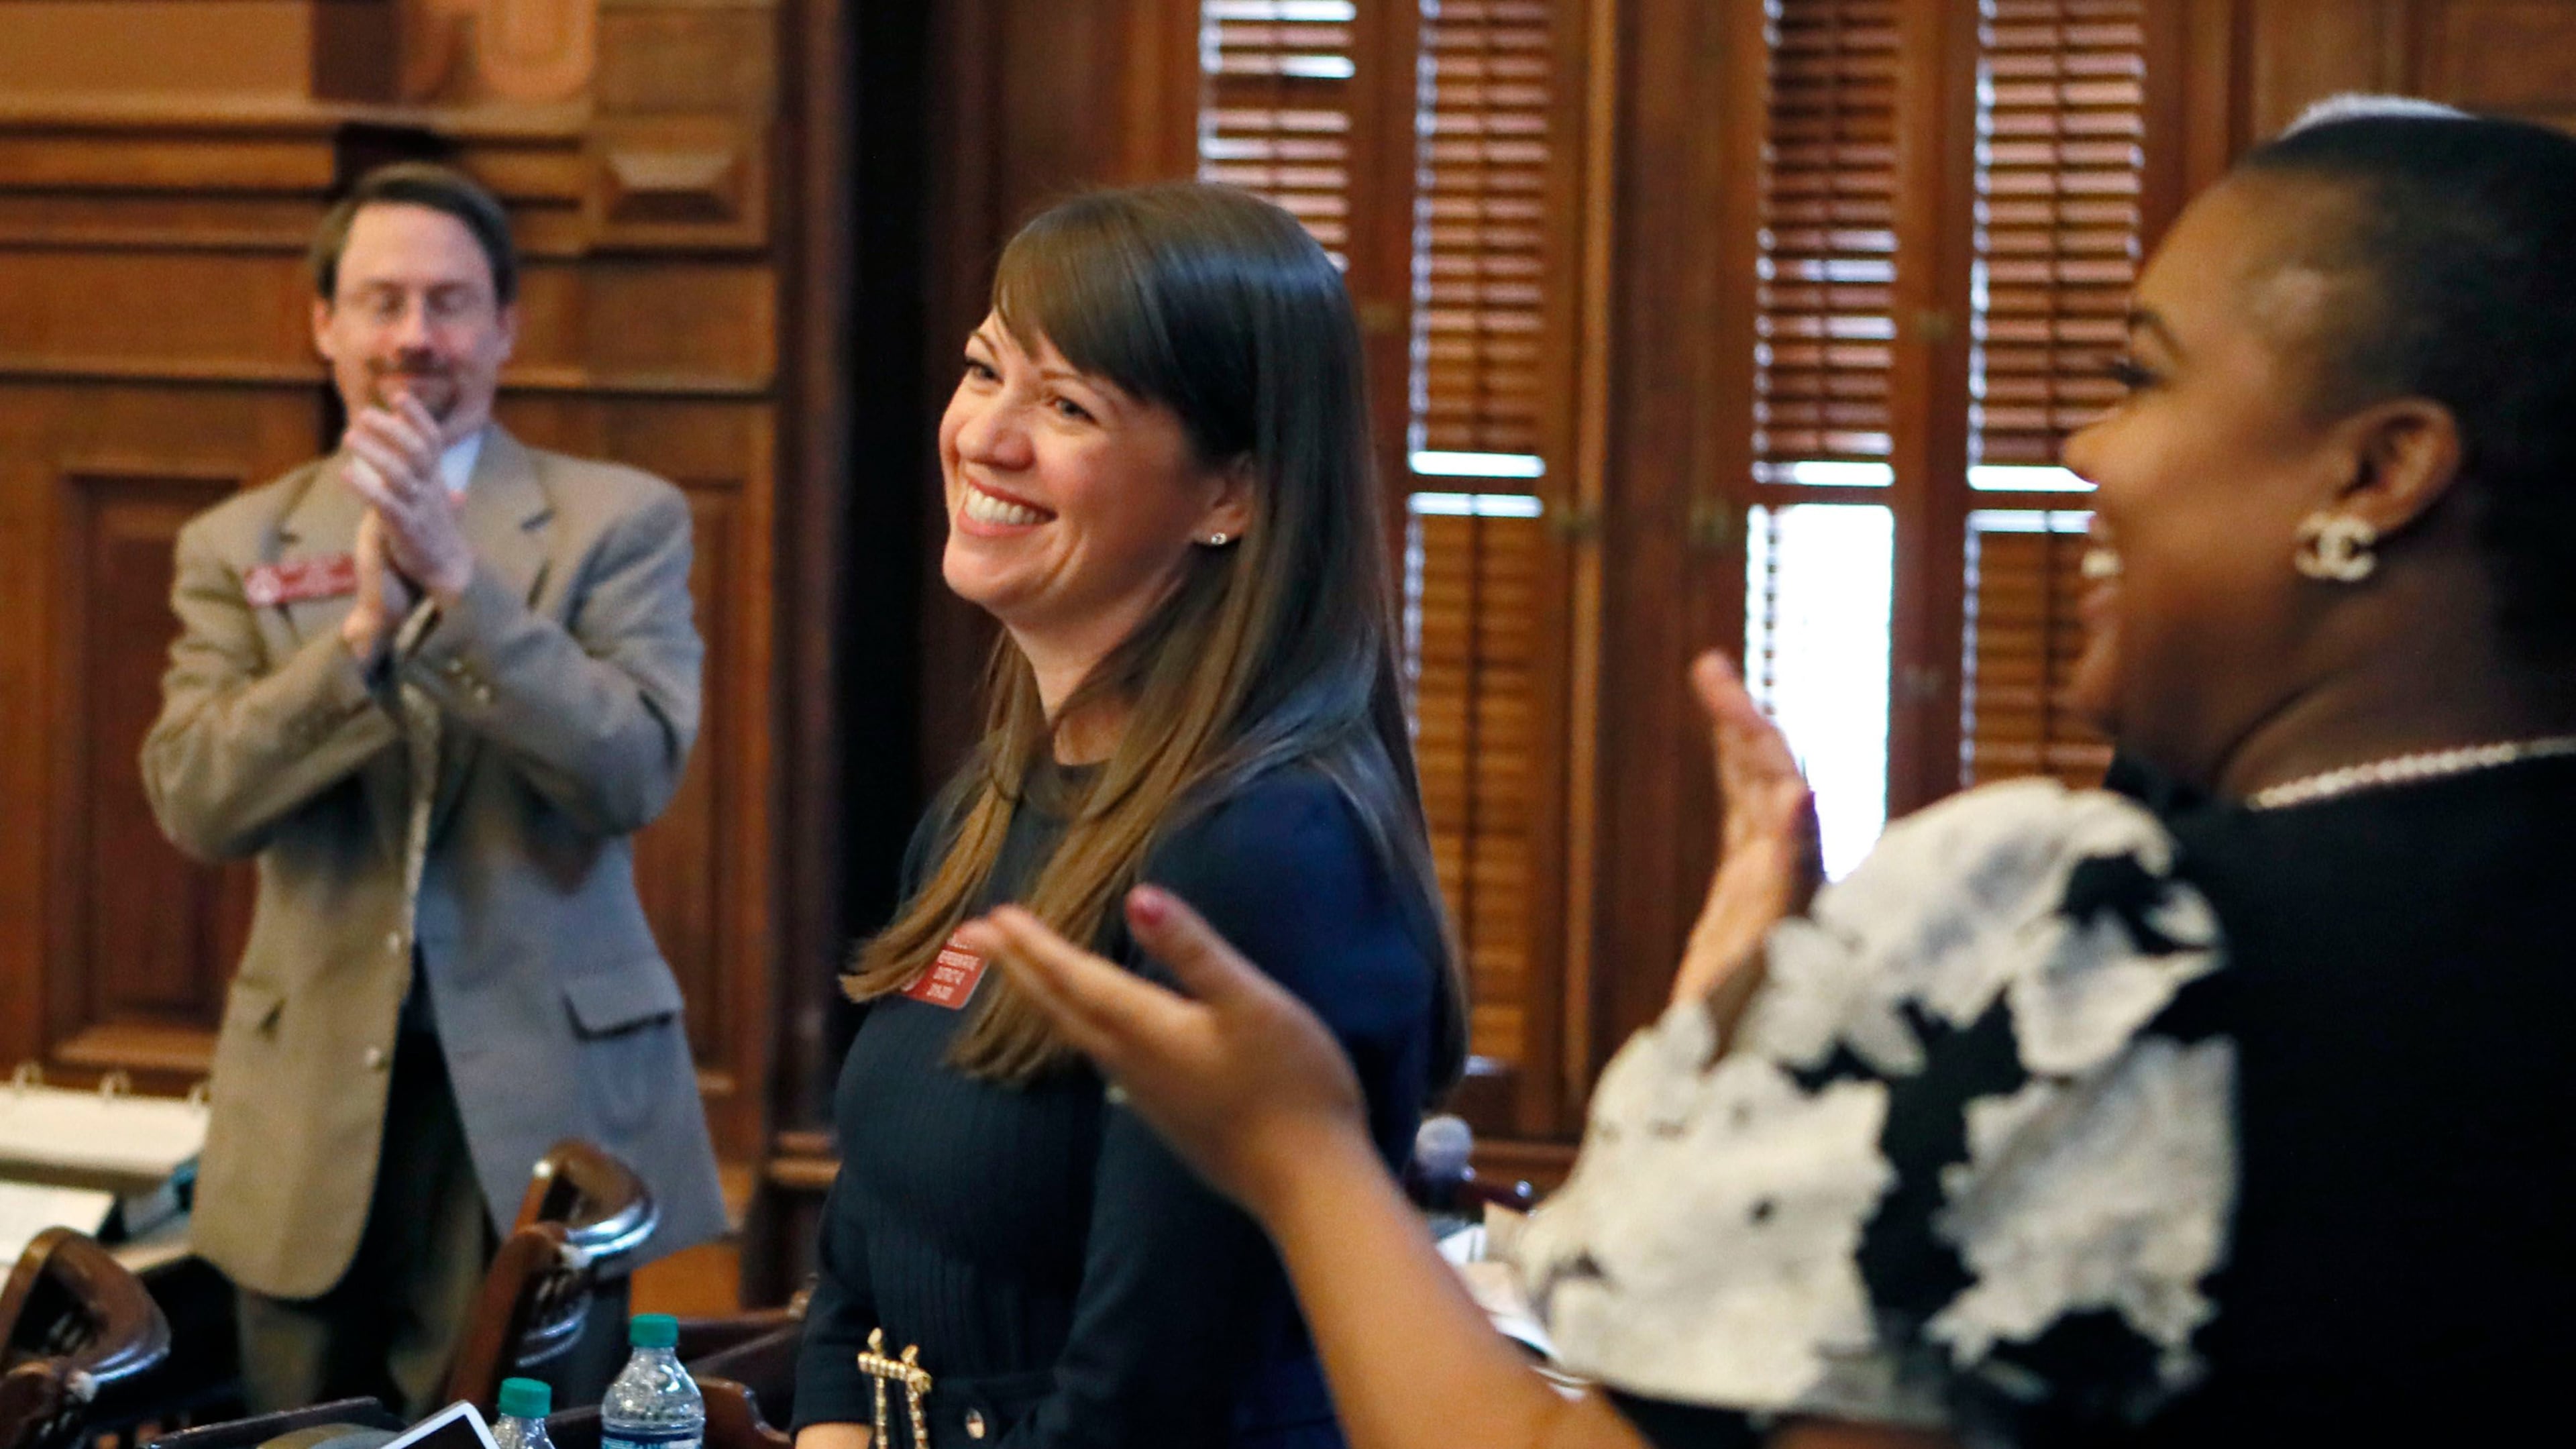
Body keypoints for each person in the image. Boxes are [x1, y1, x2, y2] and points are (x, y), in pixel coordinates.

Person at [965, 99, 2576, 1448]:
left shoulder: (2087, 954)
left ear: (2380, 470)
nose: (2087, 452)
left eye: (2143, 375)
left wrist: (1300, 1150)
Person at [787, 181, 1460, 1449]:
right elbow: (863, 1255)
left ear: (1232, 496)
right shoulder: (983, 806)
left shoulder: (1261, 852)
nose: (986, 437)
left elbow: (1151, 1402)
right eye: (987, 370)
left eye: (1067, 405)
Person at [142, 162, 727, 1416]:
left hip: (537, 1111)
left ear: (505, 327)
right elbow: (194, 799)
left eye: (451, 304)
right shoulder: (238, 547)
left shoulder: (618, 521)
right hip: (307, 1117)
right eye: (383, 301)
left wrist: (465, 591)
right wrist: (358, 641)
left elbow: (633, 767)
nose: (415, 337)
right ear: (324, 325)